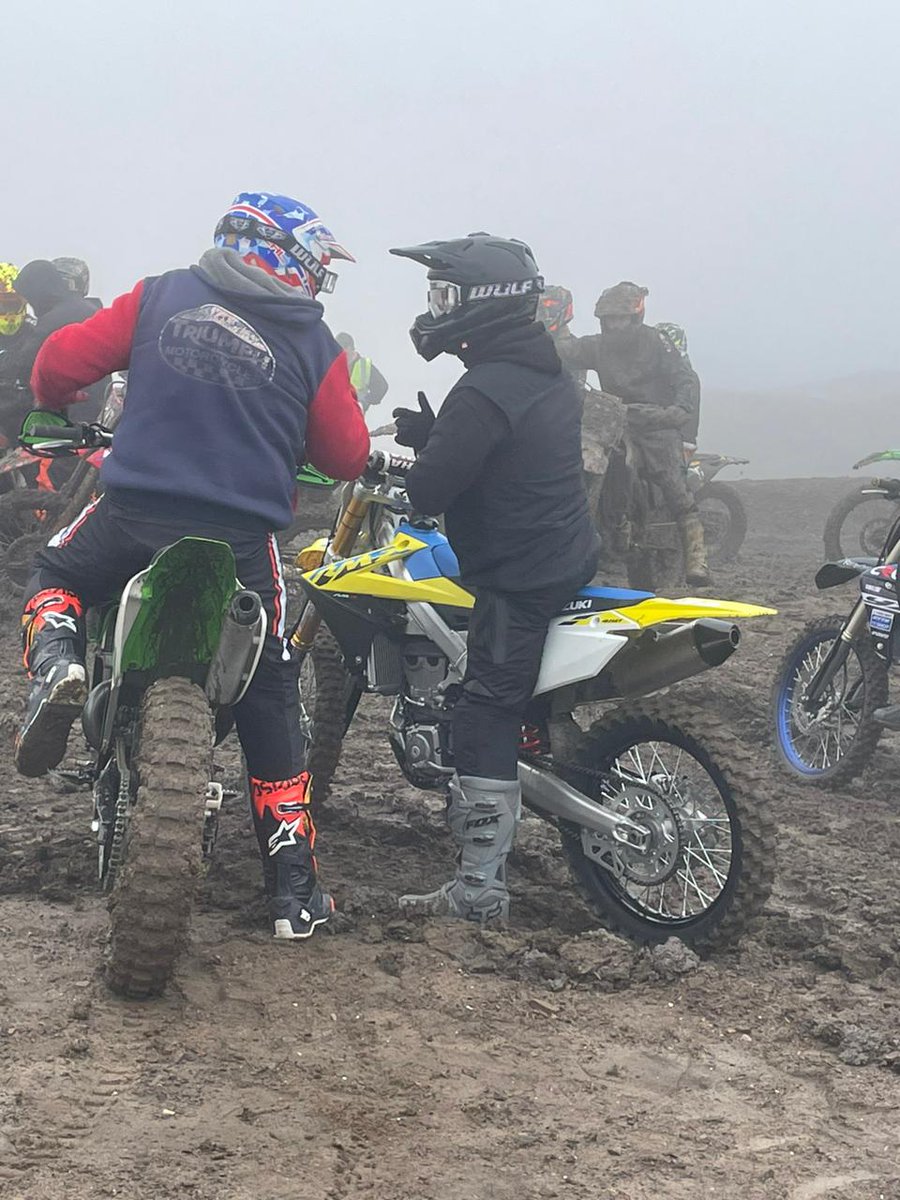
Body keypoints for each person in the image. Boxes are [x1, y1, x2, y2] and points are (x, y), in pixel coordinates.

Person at [15, 190, 370, 940]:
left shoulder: (159, 294)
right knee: (271, 679)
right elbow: (344, 454)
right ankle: (295, 890)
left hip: (133, 512)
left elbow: (59, 362)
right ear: (287, 257)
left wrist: (54, 399)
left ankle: (55, 660)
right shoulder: (312, 340)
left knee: (58, 573)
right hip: (242, 538)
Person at [389, 232, 599, 924]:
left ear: (483, 302)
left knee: (485, 709)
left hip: (518, 573)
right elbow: (507, 447)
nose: (435, 307)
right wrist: (437, 430)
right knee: (504, 697)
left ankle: (479, 891)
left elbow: (428, 493)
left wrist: (427, 454)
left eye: (445, 295)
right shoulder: (539, 371)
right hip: (563, 552)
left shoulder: (483, 389)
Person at [558, 281, 710, 586]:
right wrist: (538, 332)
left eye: (620, 318)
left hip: (655, 423)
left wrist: (678, 410)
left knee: (673, 484)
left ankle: (697, 556)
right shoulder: (598, 345)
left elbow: (683, 378)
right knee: (588, 459)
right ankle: (610, 528)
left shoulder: (656, 342)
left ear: (634, 317)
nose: (614, 325)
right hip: (615, 421)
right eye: (609, 319)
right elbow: (566, 351)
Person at [0, 260, 107, 423]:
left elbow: (23, 362)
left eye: (30, 297)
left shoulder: (54, 321)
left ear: (38, 291)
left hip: (75, 411)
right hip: (95, 404)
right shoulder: (87, 309)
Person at [656, 321, 701, 451]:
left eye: (665, 343)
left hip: (677, 445)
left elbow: (688, 419)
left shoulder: (686, 377)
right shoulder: (649, 372)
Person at [334, 332, 388, 414]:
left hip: (355, 415)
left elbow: (381, 386)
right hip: (335, 414)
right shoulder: (333, 367)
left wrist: (365, 402)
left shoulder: (364, 366)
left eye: (342, 350)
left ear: (350, 348)